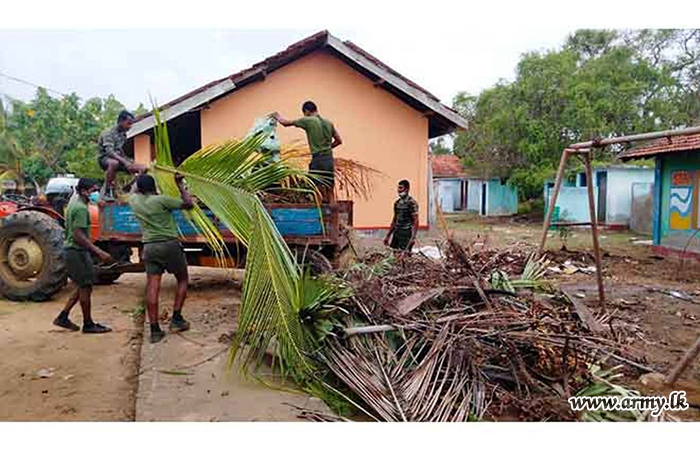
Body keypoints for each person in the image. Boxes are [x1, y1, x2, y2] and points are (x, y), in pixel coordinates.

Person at [129, 173, 194, 343]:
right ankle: (176, 319)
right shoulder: (162, 200)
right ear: (153, 187)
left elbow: (133, 190)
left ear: (140, 188)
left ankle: (155, 330)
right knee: (182, 279)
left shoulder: (134, 201)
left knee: (152, 286)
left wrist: (139, 178)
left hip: (150, 247)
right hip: (169, 245)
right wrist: (179, 184)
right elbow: (189, 204)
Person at [53, 178, 115, 334]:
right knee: (85, 286)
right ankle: (88, 324)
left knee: (83, 285)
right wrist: (98, 251)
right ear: (83, 191)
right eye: (93, 190)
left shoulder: (75, 203)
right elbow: (78, 235)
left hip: (75, 251)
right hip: (76, 251)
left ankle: (63, 316)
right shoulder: (80, 208)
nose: (95, 193)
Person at [272, 101, 342, 202]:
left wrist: (277, 116)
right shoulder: (328, 123)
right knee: (329, 189)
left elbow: (285, 123)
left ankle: (317, 214)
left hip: (317, 160)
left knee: (314, 188)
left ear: (307, 111)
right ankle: (332, 213)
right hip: (328, 160)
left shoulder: (308, 120)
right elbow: (339, 141)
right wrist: (327, 148)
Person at [98, 110, 145, 201]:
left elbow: (119, 149)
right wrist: (124, 162)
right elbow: (110, 152)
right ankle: (107, 191)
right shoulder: (108, 133)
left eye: (131, 124)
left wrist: (129, 161)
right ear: (120, 121)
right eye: (128, 123)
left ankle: (129, 188)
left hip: (119, 159)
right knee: (114, 163)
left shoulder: (123, 135)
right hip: (105, 159)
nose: (130, 127)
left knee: (143, 168)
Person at [383, 179, 419, 251]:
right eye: (398, 188)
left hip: (406, 233)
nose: (398, 190)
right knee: (394, 253)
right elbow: (394, 220)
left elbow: (416, 221)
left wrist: (413, 238)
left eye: (400, 188)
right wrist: (388, 236)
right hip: (397, 232)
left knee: (405, 255)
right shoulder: (397, 203)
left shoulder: (411, 203)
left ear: (407, 189)